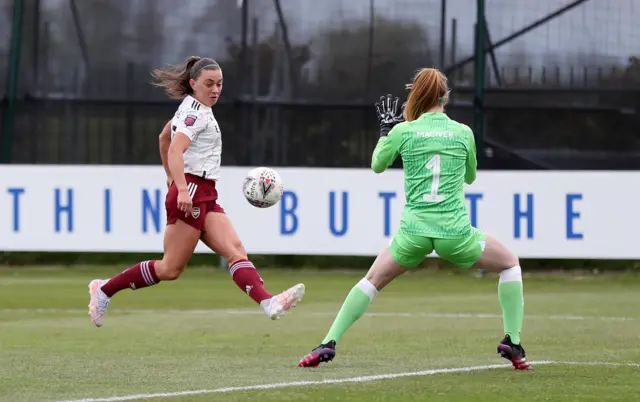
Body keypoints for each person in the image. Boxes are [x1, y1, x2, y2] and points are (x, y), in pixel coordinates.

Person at [297, 68, 529, 371]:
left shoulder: (403, 131)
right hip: (454, 233)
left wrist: (385, 131)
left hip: (413, 233)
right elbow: (471, 177)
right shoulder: (462, 132)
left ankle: (328, 342)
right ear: (446, 97)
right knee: (510, 263)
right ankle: (512, 340)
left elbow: (378, 165)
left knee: (371, 282)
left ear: (416, 95)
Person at [87, 56, 305, 327]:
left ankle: (268, 302)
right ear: (193, 84)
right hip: (190, 190)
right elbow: (175, 148)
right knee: (170, 268)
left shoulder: (192, 108)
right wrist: (179, 187)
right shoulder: (195, 115)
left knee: (236, 250)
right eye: (209, 84)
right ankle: (104, 289)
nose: (215, 90)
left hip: (204, 192)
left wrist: (170, 176)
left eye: (220, 84)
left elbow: (163, 137)